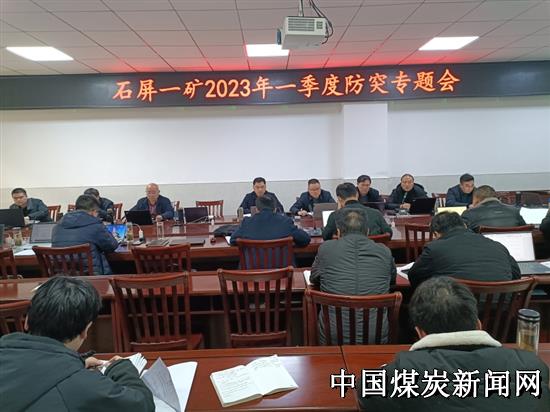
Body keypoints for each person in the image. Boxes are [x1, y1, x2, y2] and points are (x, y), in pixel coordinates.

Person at [357, 276, 550, 411]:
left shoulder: (398, 375)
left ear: (420, 333)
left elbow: (365, 388)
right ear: (478, 325)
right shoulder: (531, 367)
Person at [0, 276, 154, 412]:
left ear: (27, 321)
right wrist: (121, 368)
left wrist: (74, 363)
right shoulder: (82, 387)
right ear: (85, 331)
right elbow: (141, 405)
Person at [311, 208, 396, 344]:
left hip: (332, 336)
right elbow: (392, 281)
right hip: (376, 335)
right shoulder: (384, 252)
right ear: (367, 231)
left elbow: (313, 278)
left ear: (338, 232)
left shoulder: (326, 249)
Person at [407, 212, 520, 289]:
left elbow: (414, 277)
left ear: (436, 234)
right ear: (465, 226)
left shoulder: (434, 249)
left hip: (456, 312)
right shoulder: (498, 246)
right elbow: (516, 275)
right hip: (502, 311)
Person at [52, 194, 118, 275]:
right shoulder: (95, 225)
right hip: (91, 278)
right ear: (93, 211)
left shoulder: (57, 227)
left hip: (61, 278)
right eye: (97, 213)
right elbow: (112, 246)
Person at [230, 194, 310, 247]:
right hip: (283, 267)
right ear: (275, 209)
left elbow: (232, 240)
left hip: (252, 267)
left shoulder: (247, 223)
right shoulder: (286, 222)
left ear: (257, 209)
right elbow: (305, 239)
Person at [322, 182, 392, 241]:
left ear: (339, 199)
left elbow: (326, 236)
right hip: (373, 251)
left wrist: (339, 210)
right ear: (357, 194)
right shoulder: (376, 213)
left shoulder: (335, 215)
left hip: (346, 252)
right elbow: (389, 233)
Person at [462, 185, 526, 232]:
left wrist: (472, 209)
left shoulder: (469, 214)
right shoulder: (515, 211)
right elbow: (525, 232)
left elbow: (460, 237)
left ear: (476, 200)